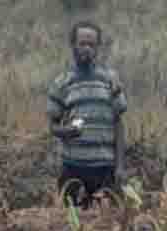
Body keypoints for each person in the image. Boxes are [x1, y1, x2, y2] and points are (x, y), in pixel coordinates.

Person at [47, 21, 128, 208]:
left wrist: (120, 167)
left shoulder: (111, 80)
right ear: (73, 46)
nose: (87, 49)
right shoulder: (62, 83)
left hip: (105, 170)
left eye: (92, 44)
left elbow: (119, 123)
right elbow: (52, 126)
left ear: (98, 47)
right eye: (82, 43)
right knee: (71, 227)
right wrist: (66, 131)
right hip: (72, 169)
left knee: (106, 227)